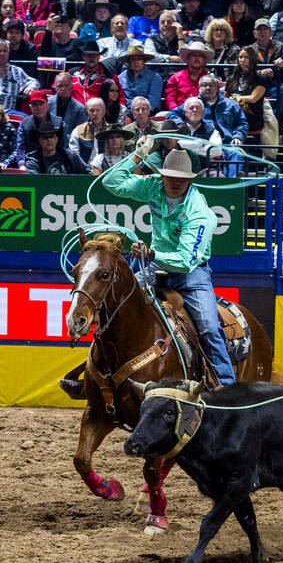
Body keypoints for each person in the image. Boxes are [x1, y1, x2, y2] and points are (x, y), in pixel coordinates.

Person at [103, 135, 238, 386]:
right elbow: (111, 183)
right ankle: (98, 371)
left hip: (191, 275)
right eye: (171, 176)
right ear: (162, 175)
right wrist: (137, 156)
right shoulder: (153, 185)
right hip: (155, 267)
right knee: (116, 305)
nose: (176, 182)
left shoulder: (199, 213)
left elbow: (186, 261)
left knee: (209, 326)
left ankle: (226, 386)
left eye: (182, 178)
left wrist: (151, 254)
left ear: (189, 180)